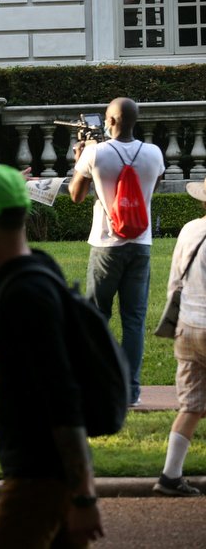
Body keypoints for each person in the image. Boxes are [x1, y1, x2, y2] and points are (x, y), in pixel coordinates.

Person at [0, 165, 104, 548]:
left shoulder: (24, 296)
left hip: (39, 476)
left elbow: (62, 399)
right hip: (48, 472)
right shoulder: (34, 268)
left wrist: (83, 495)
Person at [69, 97, 164, 407]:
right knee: (134, 321)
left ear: (109, 121)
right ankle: (132, 391)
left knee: (98, 317)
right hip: (141, 245)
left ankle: (98, 385)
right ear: (135, 121)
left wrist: (78, 160)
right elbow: (153, 187)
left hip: (106, 245)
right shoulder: (153, 153)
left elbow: (76, 196)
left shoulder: (95, 153)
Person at [153, 178, 206, 497]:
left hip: (186, 326)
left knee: (191, 406)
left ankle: (170, 475)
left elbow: (175, 283)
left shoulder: (189, 230)